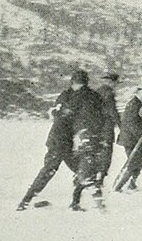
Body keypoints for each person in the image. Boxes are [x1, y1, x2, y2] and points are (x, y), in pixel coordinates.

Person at [17, 71, 83, 211]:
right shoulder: (68, 97)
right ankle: (25, 201)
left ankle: (75, 203)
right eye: (78, 83)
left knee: (80, 170)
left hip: (65, 142)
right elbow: (57, 114)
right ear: (73, 83)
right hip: (59, 141)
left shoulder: (70, 96)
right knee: (49, 171)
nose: (79, 86)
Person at [68, 69, 110, 211]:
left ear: (74, 83)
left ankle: (99, 205)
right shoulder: (96, 96)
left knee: (86, 170)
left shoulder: (76, 96)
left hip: (83, 135)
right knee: (88, 166)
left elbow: (68, 115)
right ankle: (76, 202)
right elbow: (104, 115)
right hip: (96, 135)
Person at [114, 81, 142, 192]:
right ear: (138, 92)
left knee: (141, 161)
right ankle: (118, 186)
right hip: (130, 139)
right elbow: (131, 124)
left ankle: (132, 184)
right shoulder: (134, 104)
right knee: (134, 162)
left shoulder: (139, 103)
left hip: (135, 138)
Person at [95, 72, 121, 179]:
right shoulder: (108, 93)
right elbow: (112, 112)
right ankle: (99, 180)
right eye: (115, 83)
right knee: (105, 156)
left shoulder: (97, 92)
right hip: (105, 129)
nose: (115, 86)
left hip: (96, 129)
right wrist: (121, 126)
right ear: (111, 82)